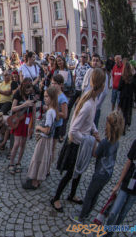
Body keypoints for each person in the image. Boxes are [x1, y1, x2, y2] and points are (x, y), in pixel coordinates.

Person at [51, 68, 105, 213]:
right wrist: (87, 140)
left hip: (81, 143)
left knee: (78, 172)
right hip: (76, 144)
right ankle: (55, 198)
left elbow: (90, 120)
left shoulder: (92, 99)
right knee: (70, 173)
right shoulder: (88, 103)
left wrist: (94, 131)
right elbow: (73, 129)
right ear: (101, 85)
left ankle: (72, 194)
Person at [71, 111, 124, 223]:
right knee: (96, 194)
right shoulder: (116, 141)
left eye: (107, 123)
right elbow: (105, 150)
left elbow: (95, 153)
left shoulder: (105, 142)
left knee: (89, 194)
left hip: (99, 173)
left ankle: (80, 217)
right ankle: (87, 212)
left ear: (110, 126)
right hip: (107, 174)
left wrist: (94, 141)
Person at [23, 86, 59, 189]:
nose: (45, 99)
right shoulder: (52, 110)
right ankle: (36, 179)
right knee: (41, 159)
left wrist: (38, 127)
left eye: (47, 97)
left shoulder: (50, 112)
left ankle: (35, 181)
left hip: (44, 139)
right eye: (44, 96)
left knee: (39, 159)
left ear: (52, 98)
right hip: (47, 140)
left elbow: (47, 130)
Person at [105, 138, 136, 235]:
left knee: (123, 214)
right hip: (127, 182)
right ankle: (106, 233)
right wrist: (118, 184)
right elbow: (128, 163)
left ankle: (112, 232)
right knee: (113, 212)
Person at [8, 78, 36, 175]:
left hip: (27, 121)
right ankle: (11, 163)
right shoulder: (18, 94)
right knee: (16, 144)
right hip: (18, 120)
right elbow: (13, 108)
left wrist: (33, 127)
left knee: (23, 144)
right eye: (27, 90)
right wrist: (24, 104)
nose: (28, 92)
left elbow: (34, 112)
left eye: (30, 90)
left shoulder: (32, 96)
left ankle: (18, 162)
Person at [117, 61, 136, 134]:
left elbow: (119, 88)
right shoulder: (132, 78)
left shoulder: (123, 77)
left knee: (123, 113)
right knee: (127, 113)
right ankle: (125, 126)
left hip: (123, 97)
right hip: (129, 98)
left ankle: (122, 128)